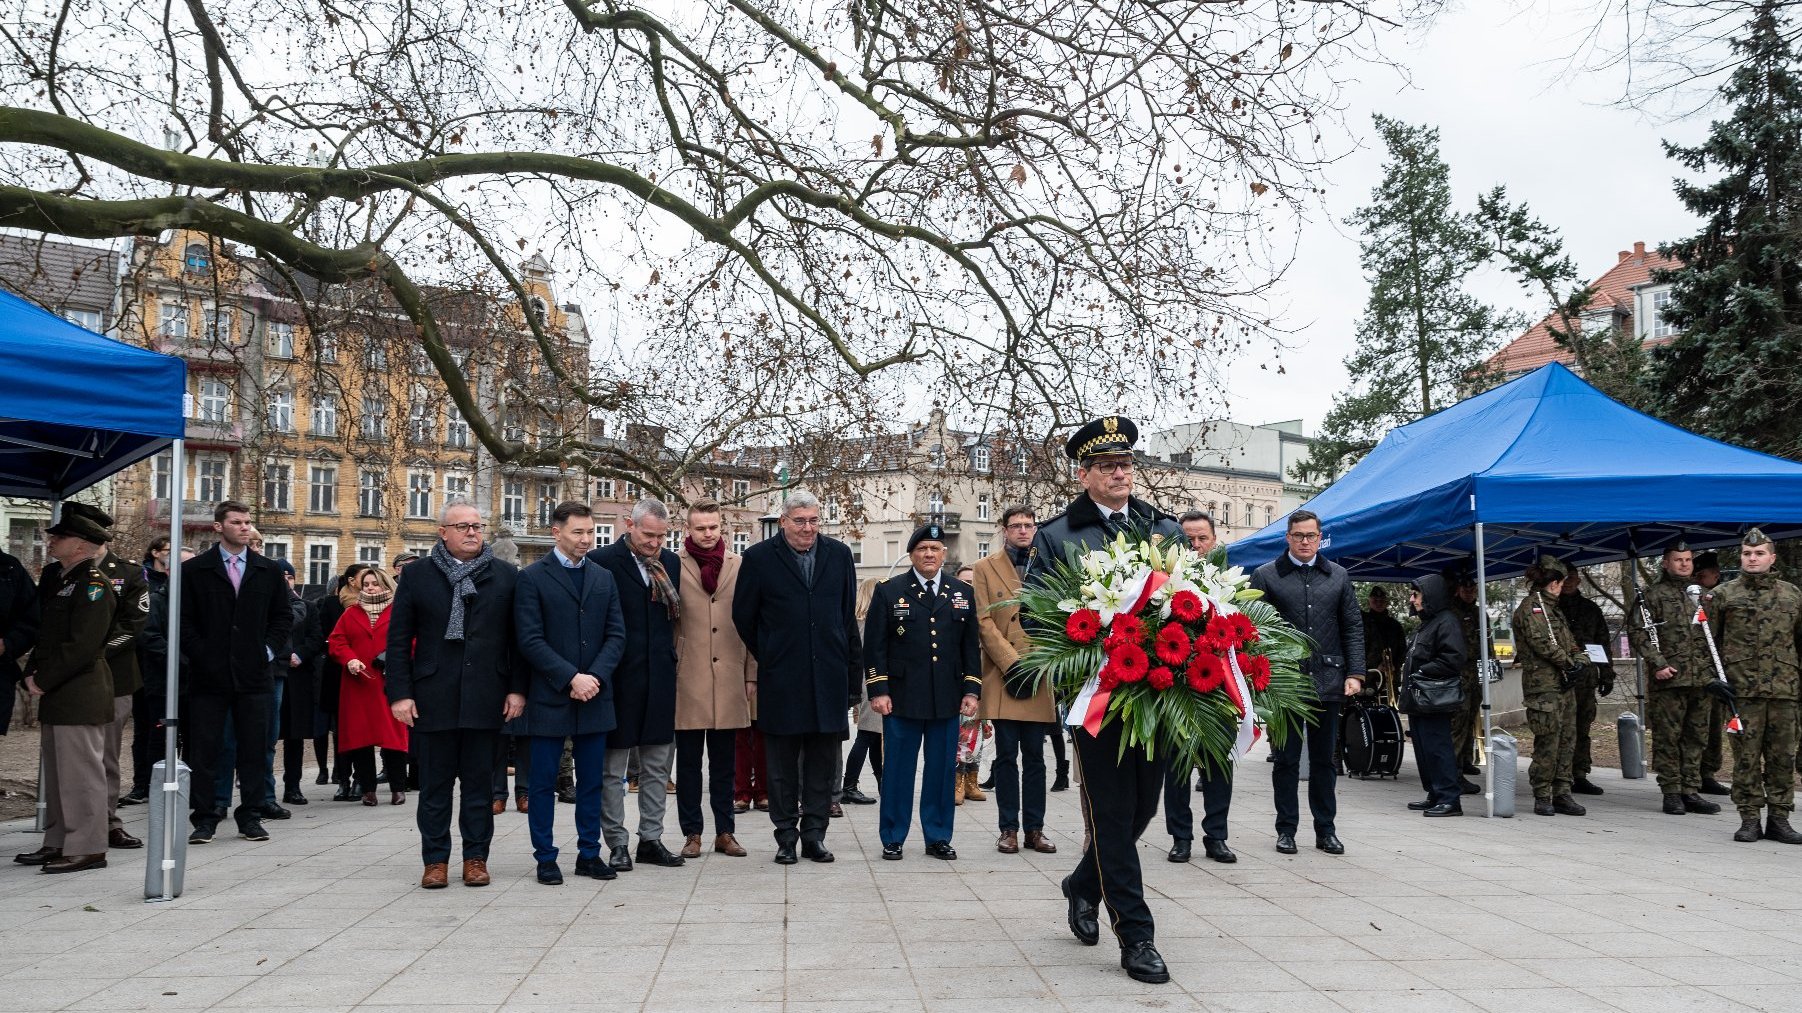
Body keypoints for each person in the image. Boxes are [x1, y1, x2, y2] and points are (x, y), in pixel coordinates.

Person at [1029, 415, 1181, 985]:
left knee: (1143, 808)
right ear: (1085, 473)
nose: (1122, 473)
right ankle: (1137, 936)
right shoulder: (1057, 535)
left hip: (1159, 692)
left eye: (1127, 464)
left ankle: (1083, 884)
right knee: (1113, 816)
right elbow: (1036, 616)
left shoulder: (1159, 529)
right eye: (1109, 466)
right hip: (1098, 698)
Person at [386, 502, 525, 888]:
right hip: (434, 696)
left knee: (480, 786)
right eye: (462, 526)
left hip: (487, 694)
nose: (471, 533)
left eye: (477, 526)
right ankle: (435, 861)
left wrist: (516, 688)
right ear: (442, 532)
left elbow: (517, 640)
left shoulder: (505, 576)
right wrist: (400, 694)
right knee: (434, 786)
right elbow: (398, 640)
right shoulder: (418, 576)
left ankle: (476, 859)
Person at [732, 490, 862, 866]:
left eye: (814, 520)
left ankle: (815, 836)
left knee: (822, 764)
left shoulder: (838, 555)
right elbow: (744, 616)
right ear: (784, 521)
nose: (808, 528)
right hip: (782, 677)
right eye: (800, 520)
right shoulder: (758, 558)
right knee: (782, 766)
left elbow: (845, 616)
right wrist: (771, 651)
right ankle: (786, 836)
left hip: (828, 676)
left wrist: (852, 676)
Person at [515, 501, 627, 884]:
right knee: (544, 783)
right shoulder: (532, 578)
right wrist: (570, 678)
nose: (586, 539)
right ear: (556, 532)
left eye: (590, 532)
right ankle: (546, 857)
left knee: (592, 782)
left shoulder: (603, 577)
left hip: (595, 695)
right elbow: (529, 639)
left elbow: (616, 634)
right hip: (551, 695)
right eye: (578, 532)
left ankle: (589, 853)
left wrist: (593, 676)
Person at [1251, 509, 1365, 855]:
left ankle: (1325, 830)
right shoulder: (1267, 576)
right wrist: (1260, 676)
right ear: (1287, 537)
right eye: (1298, 535)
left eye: (1311, 536)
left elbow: (1352, 627)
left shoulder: (1338, 576)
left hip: (1328, 679)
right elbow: (1255, 630)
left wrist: (1355, 673)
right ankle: (1286, 829)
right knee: (1285, 758)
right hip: (1283, 683)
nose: (1304, 541)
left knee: (1324, 760)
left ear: (1320, 538)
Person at [865, 524, 982, 861]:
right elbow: (875, 647)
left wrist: (972, 690)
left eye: (935, 548)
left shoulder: (961, 592)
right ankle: (893, 836)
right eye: (922, 549)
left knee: (942, 771)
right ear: (911, 554)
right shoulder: (890, 591)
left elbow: (969, 648)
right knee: (898, 771)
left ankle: (938, 836)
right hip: (900, 698)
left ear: (943, 554)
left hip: (946, 697)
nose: (929, 554)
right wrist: (878, 690)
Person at [180, 501, 293, 844]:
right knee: (206, 748)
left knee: (254, 747)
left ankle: (251, 815)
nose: (245, 527)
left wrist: (267, 651)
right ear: (219, 527)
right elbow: (182, 620)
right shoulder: (196, 570)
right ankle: (206, 816)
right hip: (208, 676)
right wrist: (202, 654)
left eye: (247, 522)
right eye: (237, 522)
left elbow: (282, 617)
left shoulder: (267, 570)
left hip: (254, 674)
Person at [35, 504, 146, 851]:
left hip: (113, 675)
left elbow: (134, 626)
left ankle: (107, 822)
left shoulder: (126, 572)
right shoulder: (57, 574)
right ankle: (66, 832)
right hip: (67, 680)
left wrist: (95, 653)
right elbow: (47, 625)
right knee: (68, 762)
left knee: (102, 757)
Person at [14, 509, 117, 873]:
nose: (51, 539)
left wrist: (41, 679)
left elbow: (82, 646)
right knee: (59, 774)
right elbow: (47, 637)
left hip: (79, 691)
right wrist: (32, 672)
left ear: (82, 544)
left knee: (81, 774)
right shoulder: (61, 580)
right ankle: (58, 839)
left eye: (60, 536)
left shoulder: (93, 584)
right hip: (61, 690)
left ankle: (88, 846)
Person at [588, 498, 685, 871]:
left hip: (659, 677)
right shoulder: (602, 562)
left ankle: (651, 838)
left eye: (661, 536)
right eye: (648, 535)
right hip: (618, 680)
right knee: (612, 771)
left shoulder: (670, 563)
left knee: (658, 767)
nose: (654, 543)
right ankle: (616, 843)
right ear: (629, 524)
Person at [975, 506, 1059, 856]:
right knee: (1006, 756)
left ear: (1035, 528)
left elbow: (1059, 614)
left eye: (1028, 525)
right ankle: (1008, 828)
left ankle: (1035, 829)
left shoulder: (1050, 564)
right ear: (1004, 530)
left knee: (1036, 758)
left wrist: (1039, 661)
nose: (1023, 531)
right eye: (1016, 526)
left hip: (1039, 671)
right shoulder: (984, 568)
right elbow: (983, 621)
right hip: (1003, 671)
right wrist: (1012, 662)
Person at [672, 500, 754, 859]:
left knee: (725, 763)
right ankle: (692, 832)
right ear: (688, 528)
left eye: (713, 527)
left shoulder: (739, 565)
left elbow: (752, 623)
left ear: (723, 528)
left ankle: (725, 832)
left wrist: (751, 674)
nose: (707, 534)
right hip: (688, 675)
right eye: (700, 528)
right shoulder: (672, 564)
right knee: (688, 763)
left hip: (730, 674)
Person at [1710, 529, 1802, 844]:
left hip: (1783, 691)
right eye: (1748, 554)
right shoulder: (1723, 595)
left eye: (1759, 553)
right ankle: (1749, 818)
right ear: (1741, 557)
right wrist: (1712, 678)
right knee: (1746, 758)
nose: (1753, 558)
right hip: (1741, 691)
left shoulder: (1792, 594)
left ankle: (1779, 819)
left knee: (1782, 758)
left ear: (1771, 557)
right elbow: (1707, 643)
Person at [1625, 544, 1721, 816]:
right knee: (1669, 737)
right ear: (1666, 563)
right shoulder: (1652, 595)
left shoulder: (1704, 596)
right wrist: (1658, 664)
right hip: (1670, 679)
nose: (1684, 565)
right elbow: (1639, 633)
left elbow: (1716, 634)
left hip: (1701, 679)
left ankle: (1691, 789)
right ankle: (1671, 791)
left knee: (1696, 737)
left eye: (1688, 560)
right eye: (1678, 560)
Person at [1164, 509, 1235, 864]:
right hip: (1178, 690)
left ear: (1213, 541)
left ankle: (1217, 836)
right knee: (1177, 767)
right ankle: (1180, 837)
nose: (1194, 546)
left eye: (1201, 538)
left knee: (1217, 766)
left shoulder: (1231, 582)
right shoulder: (1162, 583)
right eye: (1187, 539)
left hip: (1219, 689)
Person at [1511, 555, 1587, 817]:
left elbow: (1569, 642)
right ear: (1554, 582)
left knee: (1568, 739)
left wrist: (1579, 659)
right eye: (1562, 581)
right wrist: (1569, 663)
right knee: (1549, 741)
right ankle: (1543, 793)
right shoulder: (1532, 608)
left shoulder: (1554, 608)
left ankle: (1562, 791)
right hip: (1544, 687)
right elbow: (1542, 643)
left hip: (1563, 685)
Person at [327, 567, 410, 806]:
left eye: (375, 583)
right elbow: (336, 641)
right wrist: (349, 658)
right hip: (359, 684)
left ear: (385, 585)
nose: (370, 588)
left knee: (394, 736)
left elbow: (412, 640)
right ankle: (368, 790)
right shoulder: (351, 613)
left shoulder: (399, 611)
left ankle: (398, 787)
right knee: (360, 738)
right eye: (366, 584)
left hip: (389, 682)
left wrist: (391, 658)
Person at [1400, 574, 1467, 817]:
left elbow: (1454, 658)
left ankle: (1450, 798)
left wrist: (1422, 671)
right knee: (1424, 749)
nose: (1412, 599)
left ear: (1429, 596)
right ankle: (1435, 793)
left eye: (1416, 595)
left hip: (1434, 698)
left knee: (1438, 748)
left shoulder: (1446, 621)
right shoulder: (1428, 622)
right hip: (1420, 698)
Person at [315, 562, 374, 800]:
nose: (369, 584)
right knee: (340, 730)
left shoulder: (372, 605)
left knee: (363, 728)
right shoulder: (331, 604)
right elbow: (325, 637)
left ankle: (361, 779)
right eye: (364, 579)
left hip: (366, 675)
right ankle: (343, 778)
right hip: (338, 674)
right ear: (352, 581)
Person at [121, 536, 170, 806]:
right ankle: (142, 784)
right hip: (144, 667)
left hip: (170, 669)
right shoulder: (141, 580)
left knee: (166, 729)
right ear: (154, 553)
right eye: (167, 552)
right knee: (145, 728)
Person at [1557, 569, 1612, 796]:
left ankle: (1579, 773)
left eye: (1572, 578)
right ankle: (1559, 773)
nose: (1568, 582)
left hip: (1586, 678)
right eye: (1564, 578)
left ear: (1579, 580)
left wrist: (1607, 674)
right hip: (1561, 677)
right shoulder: (1551, 607)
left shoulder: (1590, 609)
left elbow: (1603, 642)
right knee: (1560, 728)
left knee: (1582, 727)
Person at [277, 559, 319, 806]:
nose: (285, 581)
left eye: (289, 576)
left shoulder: (307, 606)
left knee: (295, 737)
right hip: (272, 675)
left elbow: (317, 637)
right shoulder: (268, 606)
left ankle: (292, 786)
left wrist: (300, 654)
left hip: (297, 678)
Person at [1693, 551, 1733, 796]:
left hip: (1723, 669)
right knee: (1699, 725)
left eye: (1702, 575)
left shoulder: (1725, 598)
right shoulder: (1694, 599)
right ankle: (1693, 773)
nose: (1697, 579)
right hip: (1700, 670)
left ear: (1715, 575)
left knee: (1715, 724)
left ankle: (1708, 772)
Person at [1447, 571, 1487, 795]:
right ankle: (1453, 774)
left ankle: (1465, 763)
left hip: (1475, 678)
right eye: (1465, 589)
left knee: (1471, 721)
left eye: (1472, 589)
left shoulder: (1479, 613)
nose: (1469, 592)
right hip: (1458, 678)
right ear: (1458, 590)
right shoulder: (1451, 614)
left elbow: (1487, 642)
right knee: (1457, 728)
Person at [1362, 587, 1408, 687]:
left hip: (1391, 678)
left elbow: (1403, 651)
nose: (1378, 603)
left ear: (1386, 602)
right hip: (1367, 678)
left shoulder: (1395, 625)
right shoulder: (1362, 623)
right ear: (1369, 601)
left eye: (1382, 600)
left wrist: (1393, 665)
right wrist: (1375, 667)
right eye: (1375, 600)